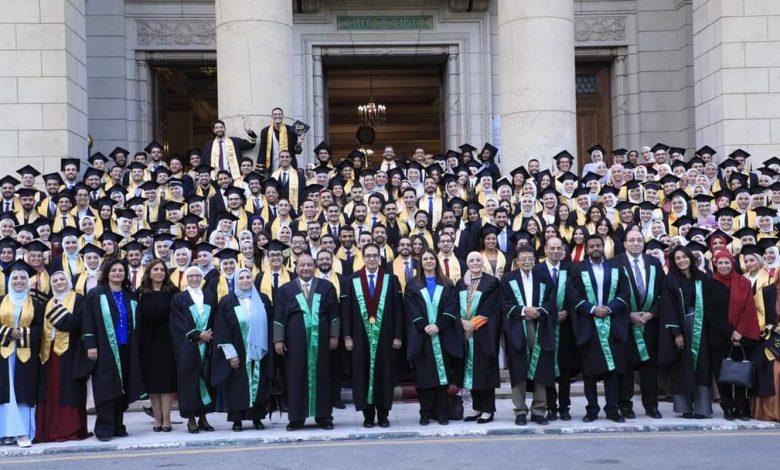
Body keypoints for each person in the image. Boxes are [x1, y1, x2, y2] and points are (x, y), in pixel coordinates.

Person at [79, 258, 144, 441]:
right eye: (114, 270)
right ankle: (104, 428)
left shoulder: (129, 295)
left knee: (122, 387)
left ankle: (118, 425)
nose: (117, 273)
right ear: (107, 273)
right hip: (104, 348)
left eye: (121, 270)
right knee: (106, 387)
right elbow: (88, 320)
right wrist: (90, 344)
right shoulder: (96, 294)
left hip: (126, 347)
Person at [567, 235, 630, 423]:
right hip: (589, 324)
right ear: (586, 249)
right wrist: (593, 309)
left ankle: (612, 409)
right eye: (592, 246)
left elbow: (624, 292)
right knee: (589, 372)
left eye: (598, 245)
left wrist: (609, 309)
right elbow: (573, 295)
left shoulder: (616, 268)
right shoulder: (577, 269)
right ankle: (592, 410)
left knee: (612, 371)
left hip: (612, 324)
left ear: (603, 247)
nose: (595, 248)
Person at [274, 254, 340, 431]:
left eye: (309, 265)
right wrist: (278, 339)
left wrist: (334, 336)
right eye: (302, 265)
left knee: (323, 377)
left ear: (315, 266)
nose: (306, 268)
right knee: (296, 377)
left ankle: (324, 416)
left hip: (321, 342)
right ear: (296, 267)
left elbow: (334, 314)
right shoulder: (286, 289)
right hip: (295, 343)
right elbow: (279, 316)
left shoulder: (326, 287)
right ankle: (296, 418)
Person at [343, 244, 403, 428]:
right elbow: (346, 310)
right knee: (362, 374)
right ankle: (368, 415)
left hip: (385, 336)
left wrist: (398, 336)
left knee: (385, 374)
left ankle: (383, 415)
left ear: (380, 258)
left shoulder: (391, 279)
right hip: (360, 337)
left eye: (375, 255)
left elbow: (398, 310)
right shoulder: (352, 280)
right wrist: (347, 336)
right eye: (368, 255)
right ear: (362, 257)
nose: (371, 259)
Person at [404, 249, 463, 426]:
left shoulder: (447, 283)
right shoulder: (413, 285)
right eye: (425, 259)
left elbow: (451, 308)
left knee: (442, 378)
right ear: (420, 263)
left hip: (442, 336)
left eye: (431, 258)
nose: (429, 261)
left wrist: (438, 325)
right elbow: (411, 309)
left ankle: (442, 412)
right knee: (423, 378)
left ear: (436, 261)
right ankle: (425, 412)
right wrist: (424, 326)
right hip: (421, 337)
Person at [658, 246, 716, 419]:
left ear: (690, 258)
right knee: (682, 366)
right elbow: (668, 307)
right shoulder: (670, 280)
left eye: (684, 257)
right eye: (678, 258)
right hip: (682, 326)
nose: (682, 260)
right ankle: (685, 407)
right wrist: (677, 333)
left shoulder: (702, 277)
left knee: (702, 365)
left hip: (701, 327)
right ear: (674, 262)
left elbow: (711, 303)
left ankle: (701, 408)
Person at [212, 268, 273, 431]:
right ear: (236, 281)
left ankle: (257, 418)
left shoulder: (262, 299)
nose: (245, 280)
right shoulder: (227, 301)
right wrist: (231, 354)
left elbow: (269, 325)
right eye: (241, 278)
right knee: (237, 386)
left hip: (259, 351)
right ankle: (237, 420)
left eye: (248, 277)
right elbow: (222, 329)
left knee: (258, 384)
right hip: (238, 351)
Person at [613, 228, 665, 419]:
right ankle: (625, 405)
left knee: (649, 368)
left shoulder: (654, 263)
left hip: (649, 323)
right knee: (626, 368)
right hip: (625, 324)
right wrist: (628, 315)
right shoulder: (615, 263)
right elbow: (612, 293)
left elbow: (662, 292)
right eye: (632, 240)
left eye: (639, 240)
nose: (636, 243)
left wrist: (652, 313)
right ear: (624, 243)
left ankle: (651, 405)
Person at [502, 246, 556, 426]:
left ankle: (539, 410)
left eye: (530, 258)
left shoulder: (543, 277)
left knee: (541, 367)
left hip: (540, 326)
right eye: (523, 259)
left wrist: (539, 312)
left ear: (535, 260)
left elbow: (550, 300)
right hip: (517, 327)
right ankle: (520, 411)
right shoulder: (508, 279)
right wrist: (524, 310)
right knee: (518, 369)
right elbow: (504, 304)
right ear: (517, 261)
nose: (527, 262)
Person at [35, 271, 90, 443]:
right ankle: (49, 430)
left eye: (62, 279)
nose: (59, 282)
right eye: (55, 280)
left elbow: (79, 324)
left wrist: (59, 315)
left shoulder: (78, 299)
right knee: (51, 390)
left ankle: (69, 429)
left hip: (70, 352)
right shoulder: (49, 302)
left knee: (69, 390)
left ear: (68, 282)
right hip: (48, 354)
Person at [710, 249, 760, 420]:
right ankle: (727, 406)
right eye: (720, 262)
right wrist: (729, 332)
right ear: (715, 264)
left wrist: (739, 332)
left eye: (727, 262)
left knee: (739, 372)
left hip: (741, 336)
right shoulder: (710, 283)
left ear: (732, 264)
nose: (723, 266)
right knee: (722, 373)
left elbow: (749, 309)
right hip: (718, 336)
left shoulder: (743, 283)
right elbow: (710, 313)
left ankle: (740, 407)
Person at [0, 261, 43, 447]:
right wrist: (9, 332)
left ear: (28, 281)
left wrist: (23, 333)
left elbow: (40, 328)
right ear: (10, 281)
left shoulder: (36, 303)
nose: (19, 281)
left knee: (23, 392)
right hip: (3, 353)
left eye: (22, 278)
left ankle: (22, 432)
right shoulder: (1, 301)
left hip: (26, 354)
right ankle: (6, 432)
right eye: (15, 278)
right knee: (5, 392)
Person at [456, 252, 500, 424]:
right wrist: (462, 323)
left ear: (483, 263)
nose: (475, 263)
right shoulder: (461, 283)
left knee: (484, 370)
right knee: (471, 372)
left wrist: (472, 325)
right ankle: (477, 407)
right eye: (471, 260)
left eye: (478, 260)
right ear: (467, 263)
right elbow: (455, 305)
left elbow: (490, 307)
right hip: (465, 333)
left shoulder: (491, 282)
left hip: (484, 332)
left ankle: (488, 409)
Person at [137, 259, 178, 432]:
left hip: (168, 341)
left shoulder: (173, 292)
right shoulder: (140, 292)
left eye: (162, 269)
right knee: (153, 382)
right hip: (147, 342)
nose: (159, 272)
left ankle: (167, 419)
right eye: (155, 269)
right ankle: (157, 418)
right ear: (149, 272)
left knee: (167, 381)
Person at [257, 107, 301, 173]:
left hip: (289, 167)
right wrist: (260, 169)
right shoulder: (265, 131)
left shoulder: (291, 130)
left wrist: (299, 143)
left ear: (283, 116)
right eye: (275, 114)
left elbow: (296, 152)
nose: (277, 116)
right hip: (272, 165)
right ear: (272, 116)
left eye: (279, 114)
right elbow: (262, 150)